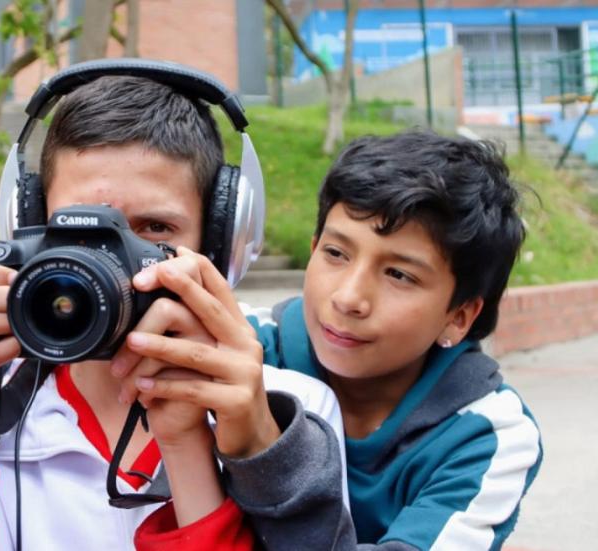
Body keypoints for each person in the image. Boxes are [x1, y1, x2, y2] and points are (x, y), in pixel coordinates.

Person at [0, 65, 346, 551]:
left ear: (221, 244)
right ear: (27, 225)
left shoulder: (288, 417)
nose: (108, 265)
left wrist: (186, 443)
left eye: (154, 230)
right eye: (79, 231)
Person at [117, 131, 544, 550]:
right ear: (314, 246)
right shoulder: (235, 348)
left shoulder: (488, 435)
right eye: (336, 254)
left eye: (399, 274)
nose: (348, 297)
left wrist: (266, 449)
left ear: (459, 316)